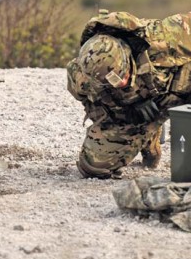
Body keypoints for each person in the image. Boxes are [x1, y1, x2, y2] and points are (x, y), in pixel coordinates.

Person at [67, 9, 191, 179]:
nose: (123, 83)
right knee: (94, 167)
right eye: (114, 84)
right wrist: (125, 111)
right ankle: (149, 134)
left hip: (180, 92)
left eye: (123, 76)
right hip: (137, 112)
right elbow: (92, 105)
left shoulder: (165, 37)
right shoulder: (84, 76)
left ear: (127, 56)